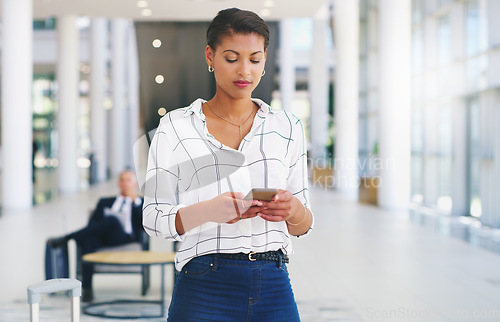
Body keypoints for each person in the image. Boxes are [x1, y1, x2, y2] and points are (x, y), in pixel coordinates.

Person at [143, 8, 313, 321]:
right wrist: (209, 210)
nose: (244, 71)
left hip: (273, 282)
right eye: (232, 58)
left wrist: (293, 210)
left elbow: (303, 224)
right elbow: (153, 218)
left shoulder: (288, 126)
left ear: (265, 61)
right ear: (210, 56)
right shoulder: (176, 127)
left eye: (255, 59)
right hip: (202, 285)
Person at [50, 170, 144, 302]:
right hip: (104, 237)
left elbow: (143, 227)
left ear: (135, 183)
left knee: (112, 220)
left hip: (124, 237)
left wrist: (135, 203)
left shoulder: (141, 203)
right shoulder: (105, 202)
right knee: (89, 241)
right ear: (118, 183)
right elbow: (92, 225)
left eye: (128, 180)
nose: (125, 183)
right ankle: (87, 289)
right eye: (122, 180)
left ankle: (67, 237)